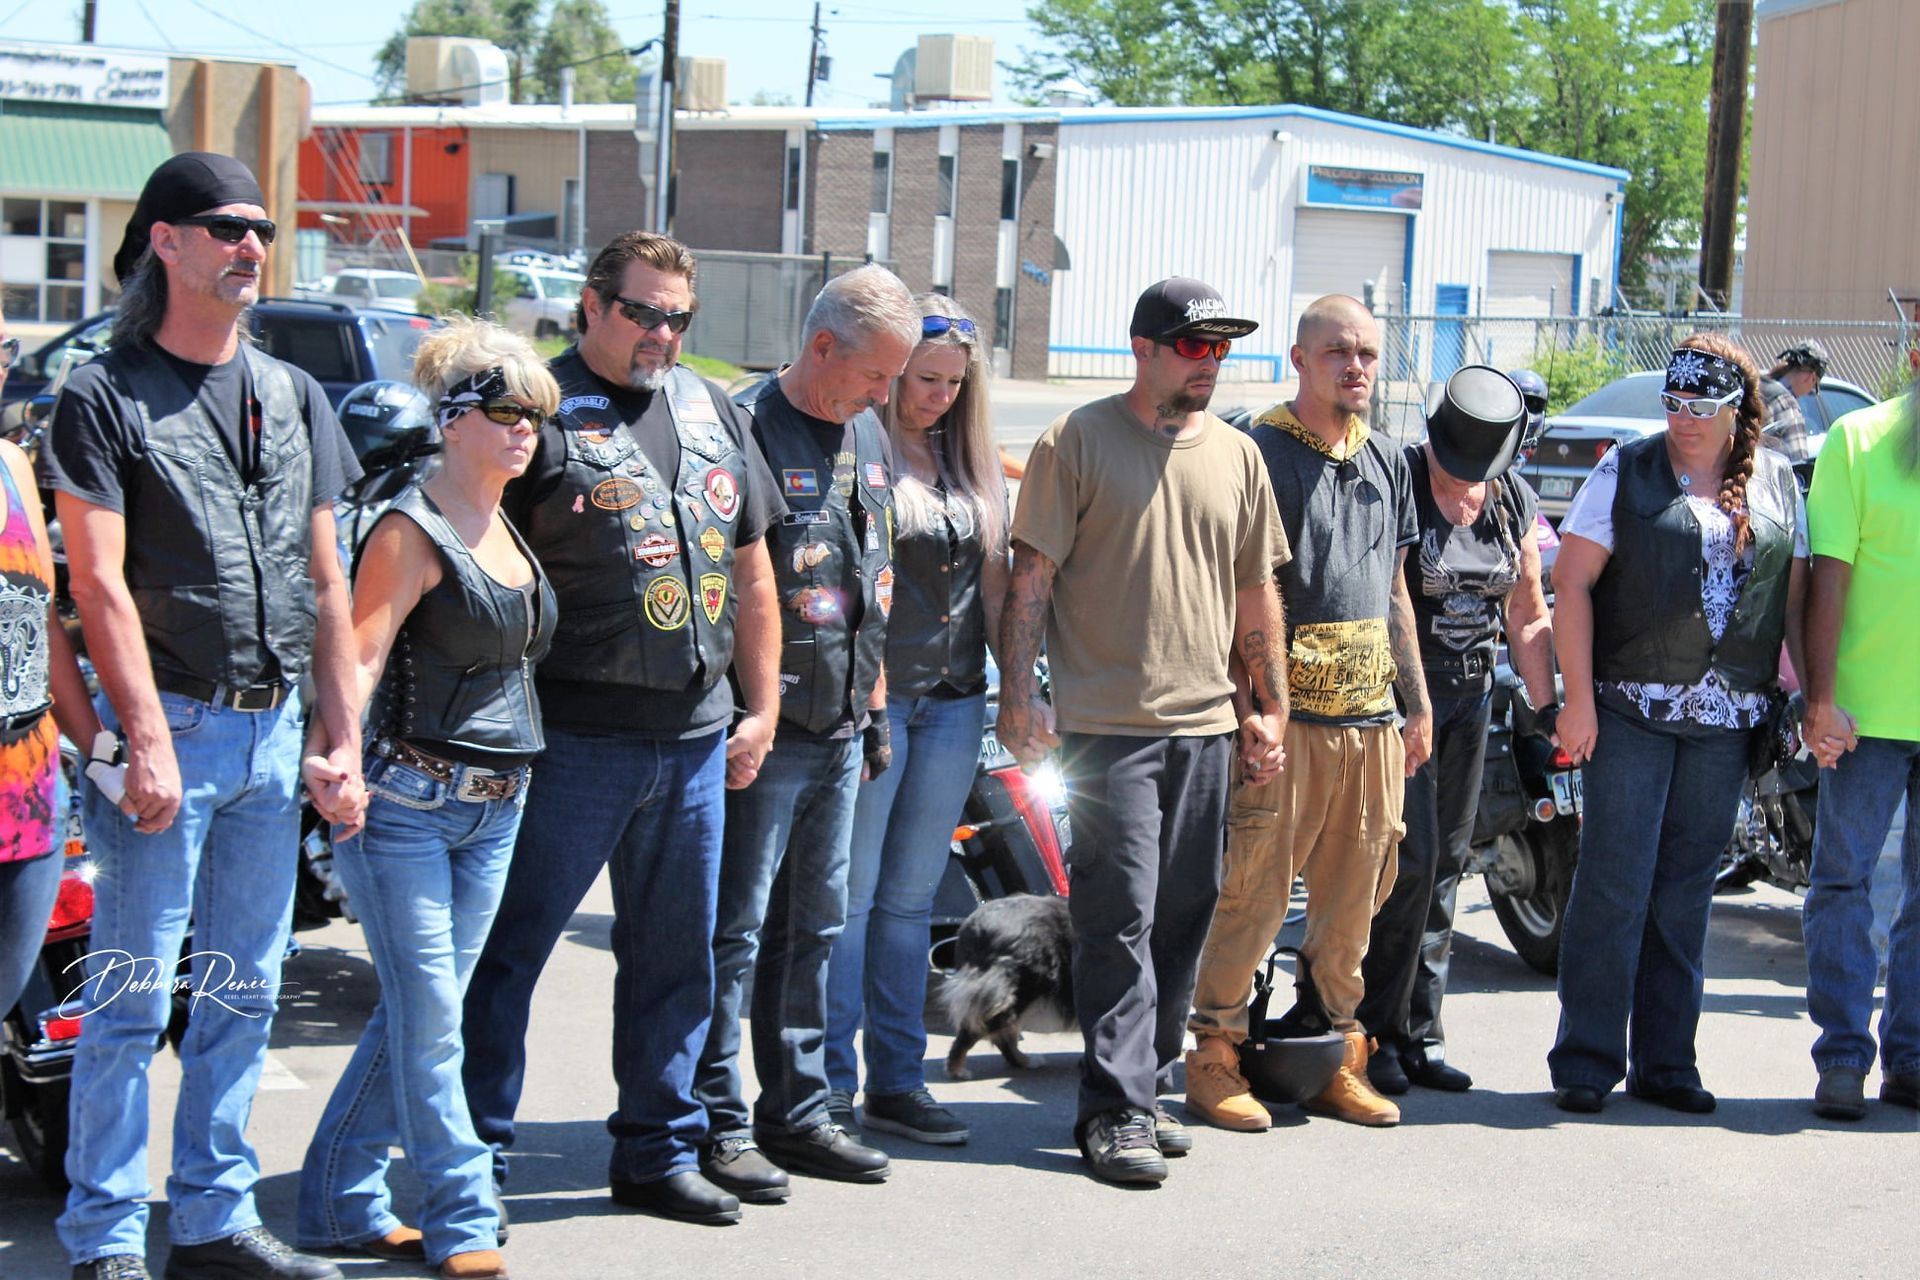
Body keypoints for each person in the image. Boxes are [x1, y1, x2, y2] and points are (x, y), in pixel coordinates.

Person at [48, 152, 361, 1280]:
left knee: (245, 992)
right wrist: (140, 739)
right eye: (226, 226)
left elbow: (327, 580)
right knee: (132, 1002)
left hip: (273, 737)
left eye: (261, 228)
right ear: (165, 242)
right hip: (171, 731)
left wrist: (340, 738)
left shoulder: (294, 393)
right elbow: (97, 585)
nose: (251, 246)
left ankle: (214, 1221)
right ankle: (103, 1238)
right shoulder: (103, 392)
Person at [458, 232, 784, 1226]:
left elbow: (754, 569)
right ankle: (472, 1160)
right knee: (508, 956)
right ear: (593, 304)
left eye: (678, 316)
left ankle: (657, 1150)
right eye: (643, 311)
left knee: (676, 959)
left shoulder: (714, 407)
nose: (661, 333)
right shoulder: (533, 408)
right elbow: (463, 554)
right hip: (568, 740)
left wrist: (764, 706)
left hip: (695, 737)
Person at [998, 277, 1289, 1185]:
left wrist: (1268, 704)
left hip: (1207, 725)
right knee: (1118, 916)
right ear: (1144, 349)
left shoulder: (1237, 456)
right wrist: (1019, 697)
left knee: (1183, 915)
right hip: (1105, 727)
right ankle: (1113, 1111)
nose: (1211, 363)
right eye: (1195, 346)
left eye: (1222, 349)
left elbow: (1255, 591)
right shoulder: (1077, 440)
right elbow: (1032, 579)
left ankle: (1148, 1086)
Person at [296, 318, 556, 1280]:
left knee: (419, 1015)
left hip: (499, 804)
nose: (525, 428)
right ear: (452, 420)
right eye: (506, 410)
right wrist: (333, 755)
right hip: (406, 801)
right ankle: (462, 1215)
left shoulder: (507, 522)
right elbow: (358, 655)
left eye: (536, 412)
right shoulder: (410, 528)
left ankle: (335, 1200)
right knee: (433, 1020)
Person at [692, 264, 916, 1200]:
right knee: (734, 934)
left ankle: (800, 1111)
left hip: (840, 723)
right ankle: (714, 1121)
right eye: (875, 375)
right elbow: (728, 591)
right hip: (766, 728)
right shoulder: (742, 427)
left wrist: (875, 709)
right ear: (823, 346)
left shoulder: (863, 429)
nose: (885, 395)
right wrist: (750, 713)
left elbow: (869, 580)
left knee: (813, 927)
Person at [1185, 294, 1426, 1134]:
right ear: (1299, 359)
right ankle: (1214, 1055)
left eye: (1366, 354)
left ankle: (1333, 1054)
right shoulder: (1258, 450)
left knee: (1354, 902)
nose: (1355, 367)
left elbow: (1396, 592)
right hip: (1287, 727)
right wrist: (1253, 708)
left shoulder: (1389, 459)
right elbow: (1236, 591)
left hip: (1371, 724)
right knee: (1253, 894)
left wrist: (1415, 707)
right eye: (1337, 352)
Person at [1547, 336, 1807, 1115]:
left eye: (1701, 405)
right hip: (1630, 707)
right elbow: (1571, 582)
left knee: (1687, 891)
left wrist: (1810, 697)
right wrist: (1577, 699)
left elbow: (1792, 602)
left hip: (1727, 719)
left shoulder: (1777, 479)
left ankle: (1666, 1064)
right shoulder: (1624, 470)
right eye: (1673, 402)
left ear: (1736, 410)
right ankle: (1587, 1059)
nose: (1683, 418)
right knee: (1614, 881)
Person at [822, 295, 1009, 1145]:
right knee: (853, 898)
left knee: (909, 902)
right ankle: (828, 1087)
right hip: (878, 697)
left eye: (954, 384)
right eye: (925, 379)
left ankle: (897, 1082)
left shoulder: (967, 458)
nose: (939, 396)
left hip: (958, 699)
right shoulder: (855, 445)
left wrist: (1024, 690)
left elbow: (998, 585)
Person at [1355, 368, 1556, 1097]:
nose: (1465, 473)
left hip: (1474, 699)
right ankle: (1372, 1032)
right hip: (1401, 697)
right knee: (1402, 866)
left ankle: (1422, 1033)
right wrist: (1414, 704)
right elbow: (1387, 599)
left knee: (1447, 864)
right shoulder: (1402, 479)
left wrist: (1547, 707)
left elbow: (1526, 611)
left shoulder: (1511, 498)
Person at [1800, 335, 1920, 1120]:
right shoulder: (1858, 438)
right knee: (1843, 881)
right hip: (1864, 715)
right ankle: (1843, 1054)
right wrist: (1820, 697)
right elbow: (1827, 576)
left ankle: (1911, 1058)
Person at [0, 303, 107, 1031]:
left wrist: (98, 751)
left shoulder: (13, 465)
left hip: (26, 805)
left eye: (4, 347)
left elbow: (39, 623)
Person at [1759, 340, 1830, 463]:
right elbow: (1797, 463)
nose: (1809, 392)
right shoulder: (1787, 404)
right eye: (1814, 387)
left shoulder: (1753, 387)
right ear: (1811, 377)